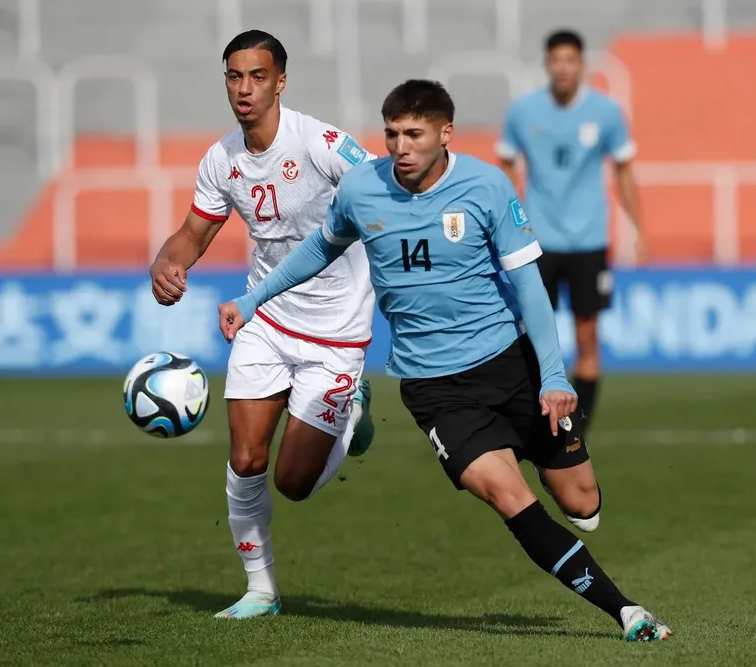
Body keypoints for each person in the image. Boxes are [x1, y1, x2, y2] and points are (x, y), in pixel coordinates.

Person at [218, 79, 672, 641]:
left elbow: (530, 289)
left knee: (584, 503)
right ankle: (625, 611)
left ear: (444, 133)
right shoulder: (363, 189)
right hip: (436, 389)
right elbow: (318, 248)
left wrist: (553, 377)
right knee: (509, 497)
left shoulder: (485, 186)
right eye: (391, 134)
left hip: (511, 366)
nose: (400, 146)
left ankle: (561, 477)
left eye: (413, 133)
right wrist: (252, 299)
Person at [148, 29, 377, 620]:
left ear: (280, 81)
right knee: (246, 459)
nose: (244, 88)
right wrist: (167, 262)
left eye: (256, 76)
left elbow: (385, 195)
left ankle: (351, 412)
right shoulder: (221, 159)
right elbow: (194, 233)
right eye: (233, 76)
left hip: (336, 330)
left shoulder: (323, 143)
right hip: (264, 318)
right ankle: (261, 590)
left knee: (292, 482)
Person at [497, 29, 645, 435]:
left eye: (570, 59)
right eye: (556, 59)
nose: (563, 67)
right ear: (548, 64)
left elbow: (624, 170)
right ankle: (531, 415)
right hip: (536, 242)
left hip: (588, 241)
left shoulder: (606, 112)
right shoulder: (523, 112)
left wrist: (639, 228)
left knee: (587, 336)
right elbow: (505, 167)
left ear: (581, 64)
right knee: (528, 331)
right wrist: (509, 221)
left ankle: (577, 429)